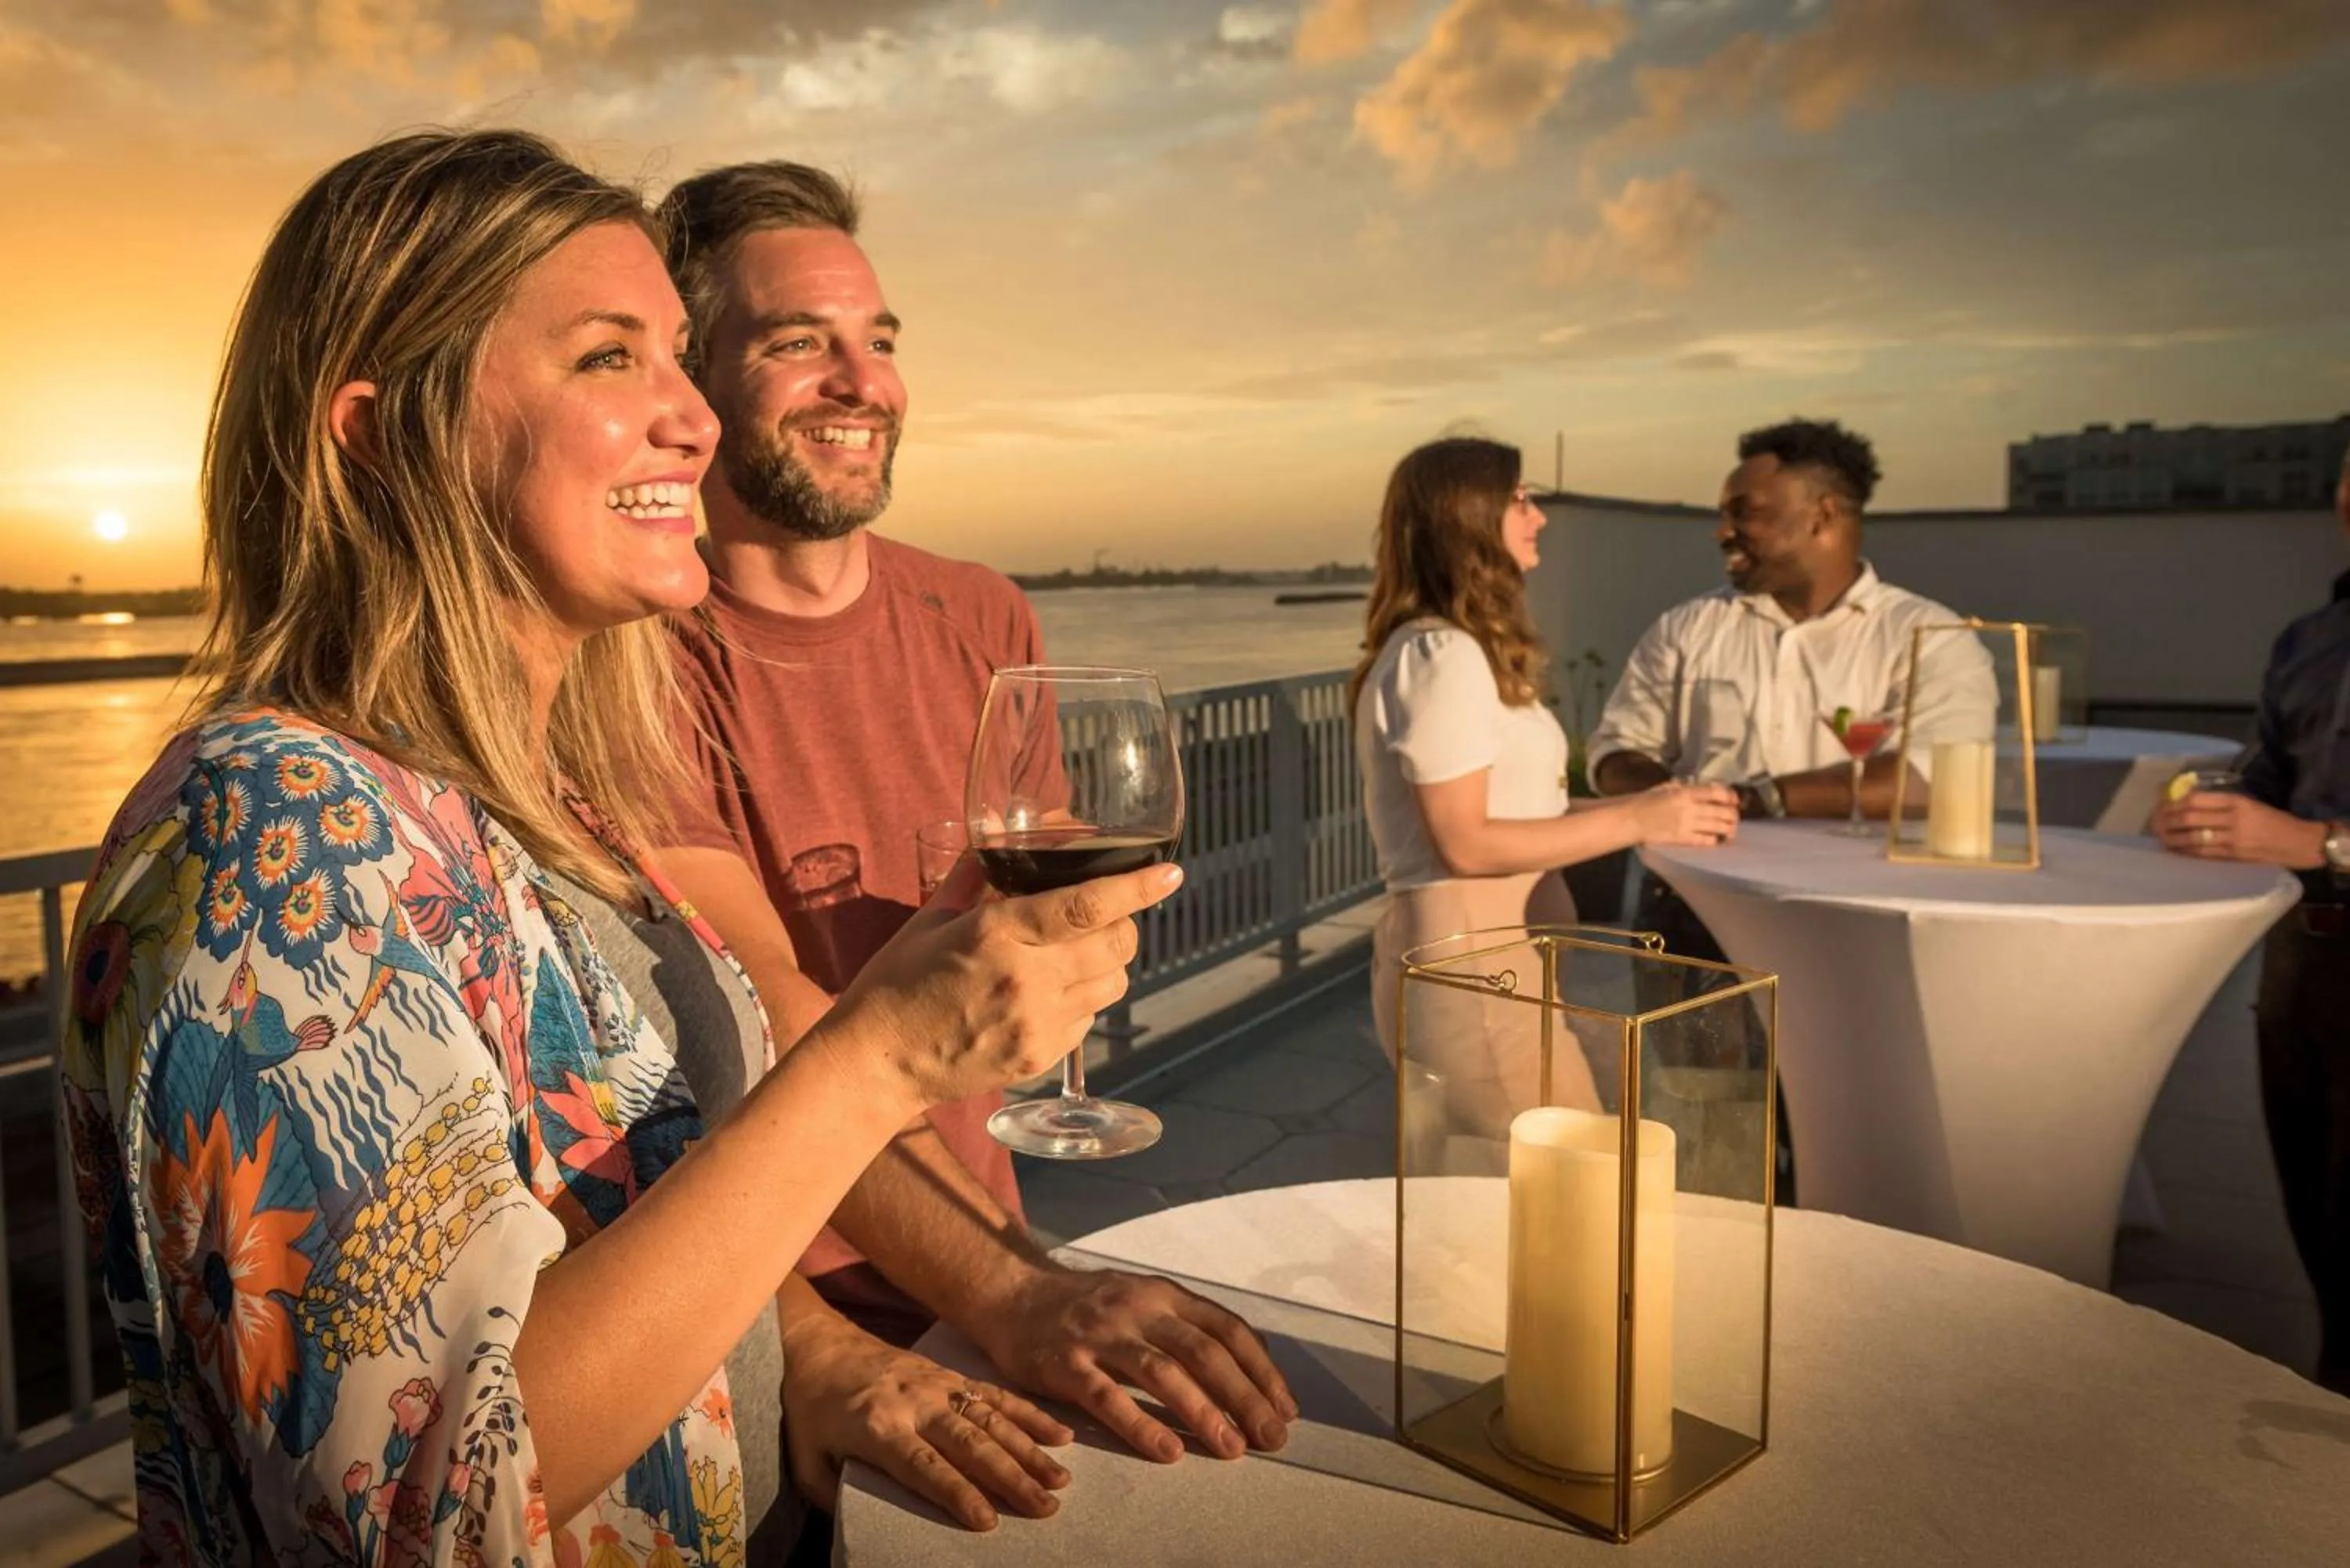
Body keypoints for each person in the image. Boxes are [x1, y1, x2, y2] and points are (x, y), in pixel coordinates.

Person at [57, 129, 1179, 1564]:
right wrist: (880, 1057)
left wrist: (817, 1347)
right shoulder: (267, 847)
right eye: (610, 358)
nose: (693, 417)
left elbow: (651, 1192)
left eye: (676, 355)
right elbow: (424, 1513)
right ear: (379, 435)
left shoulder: (527, 804)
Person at [642, 162, 1297, 1541]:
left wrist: (1017, 1273)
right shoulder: (638, 661)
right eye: (795, 342)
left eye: (878, 340)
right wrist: (971, 1303)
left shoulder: (982, 616)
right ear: (692, 376)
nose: (860, 379)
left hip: (989, 1263)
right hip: (777, 1314)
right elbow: (771, 1032)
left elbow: (1031, 910)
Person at [1350, 437, 1739, 1138]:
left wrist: (1658, 811)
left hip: (1503, 958)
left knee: (1538, 1185)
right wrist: (1640, 819)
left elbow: (1526, 816)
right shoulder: (1442, 654)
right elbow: (1465, 842)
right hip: (1476, 967)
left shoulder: (1453, 651)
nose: (1540, 516)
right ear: (1467, 517)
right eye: (1521, 498)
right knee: (1564, 1183)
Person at [2153, 443, 2350, 1395]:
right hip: (2301, 969)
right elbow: (2269, 777)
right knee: (2316, 1214)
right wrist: (2200, 802)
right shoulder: (2312, 637)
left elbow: (2307, 828)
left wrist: (2321, 845)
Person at [1588, 417, 1988, 820]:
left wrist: (1756, 801)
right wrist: (1679, 806)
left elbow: (1935, 777)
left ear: (1822, 516)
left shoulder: (1931, 638)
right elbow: (1615, 752)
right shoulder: (1687, 628)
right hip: (1695, 880)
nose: (1722, 533)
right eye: (1724, 515)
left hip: (1858, 878)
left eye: (1746, 513)